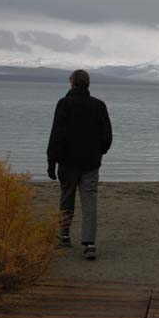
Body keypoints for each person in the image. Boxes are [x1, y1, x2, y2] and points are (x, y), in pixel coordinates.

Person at [47, 69, 112, 260]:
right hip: (91, 162)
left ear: (72, 83)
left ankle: (65, 235)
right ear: (88, 84)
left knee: (66, 198)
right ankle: (89, 243)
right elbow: (107, 135)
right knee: (89, 200)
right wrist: (99, 152)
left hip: (67, 162)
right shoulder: (99, 105)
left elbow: (56, 135)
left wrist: (52, 161)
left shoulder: (64, 104)